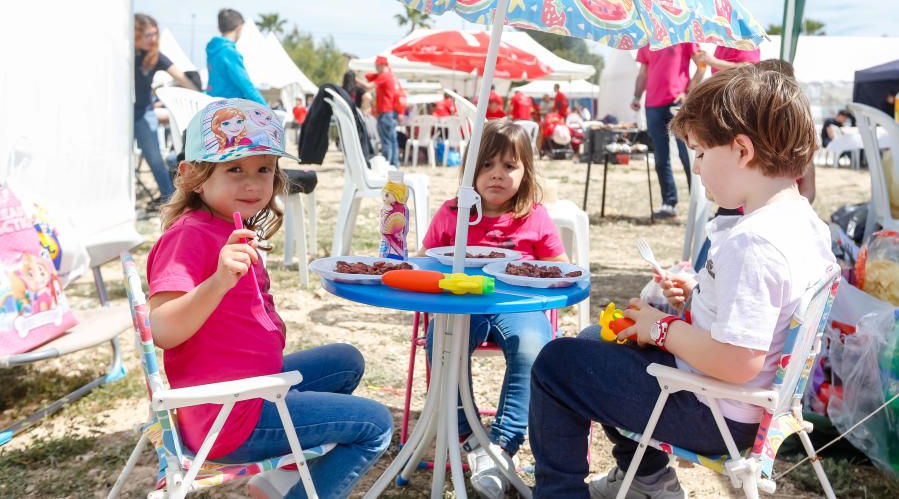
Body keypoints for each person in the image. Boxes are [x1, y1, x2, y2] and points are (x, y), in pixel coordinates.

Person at [529, 64, 836, 498]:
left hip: (713, 410)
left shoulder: (754, 241)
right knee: (596, 339)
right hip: (746, 402)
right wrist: (695, 297)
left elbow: (738, 361)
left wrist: (662, 328)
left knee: (555, 365)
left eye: (701, 153)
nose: (696, 168)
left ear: (742, 149)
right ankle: (647, 478)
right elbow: (760, 318)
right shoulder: (804, 222)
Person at [145, 98, 392, 499]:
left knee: (345, 361)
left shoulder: (223, 224)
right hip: (228, 415)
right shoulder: (189, 236)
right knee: (376, 426)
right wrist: (219, 280)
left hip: (247, 390)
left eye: (264, 168)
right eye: (235, 169)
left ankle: (273, 484)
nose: (253, 183)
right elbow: (163, 330)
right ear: (193, 176)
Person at [421, 119, 567, 498]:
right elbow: (425, 264)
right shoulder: (453, 214)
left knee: (534, 346)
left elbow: (560, 266)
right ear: (469, 170)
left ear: (526, 172)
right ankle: (468, 436)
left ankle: (502, 444)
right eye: (486, 165)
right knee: (442, 339)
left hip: (518, 304)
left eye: (509, 165)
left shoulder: (532, 216)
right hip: (461, 305)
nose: (497, 175)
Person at [631, 43, 705, 218]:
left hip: (678, 103)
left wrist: (688, 92)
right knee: (660, 158)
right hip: (652, 106)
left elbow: (702, 66)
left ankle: (697, 205)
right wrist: (636, 96)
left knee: (687, 155)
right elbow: (643, 72)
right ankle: (669, 204)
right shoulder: (647, 42)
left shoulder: (683, 35)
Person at [134, 13, 197, 201]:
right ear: (135, 33)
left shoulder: (155, 57)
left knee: (155, 159)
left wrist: (199, 96)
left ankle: (170, 201)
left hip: (143, 112)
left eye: (155, 34)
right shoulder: (125, 54)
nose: (153, 39)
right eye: (147, 35)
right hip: (120, 113)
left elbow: (182, 78)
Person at [206, 9, 266, 105]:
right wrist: (268, 110)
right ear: (239, 28)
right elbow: (246, 87)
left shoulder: (213, 50)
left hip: (213, 107)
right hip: (230, 110)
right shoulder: (229, 52)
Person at [365, 55, 399, 166]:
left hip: (385, 113)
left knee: (386, 142)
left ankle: (387, 165)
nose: (375, 68)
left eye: (376, 65)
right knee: (392, 140)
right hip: (389, 113)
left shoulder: (384, 76)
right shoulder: (388, 75)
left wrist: (354, 79)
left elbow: (368, 86)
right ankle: (394, 164)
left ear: (381, 65)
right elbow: (369, 77)